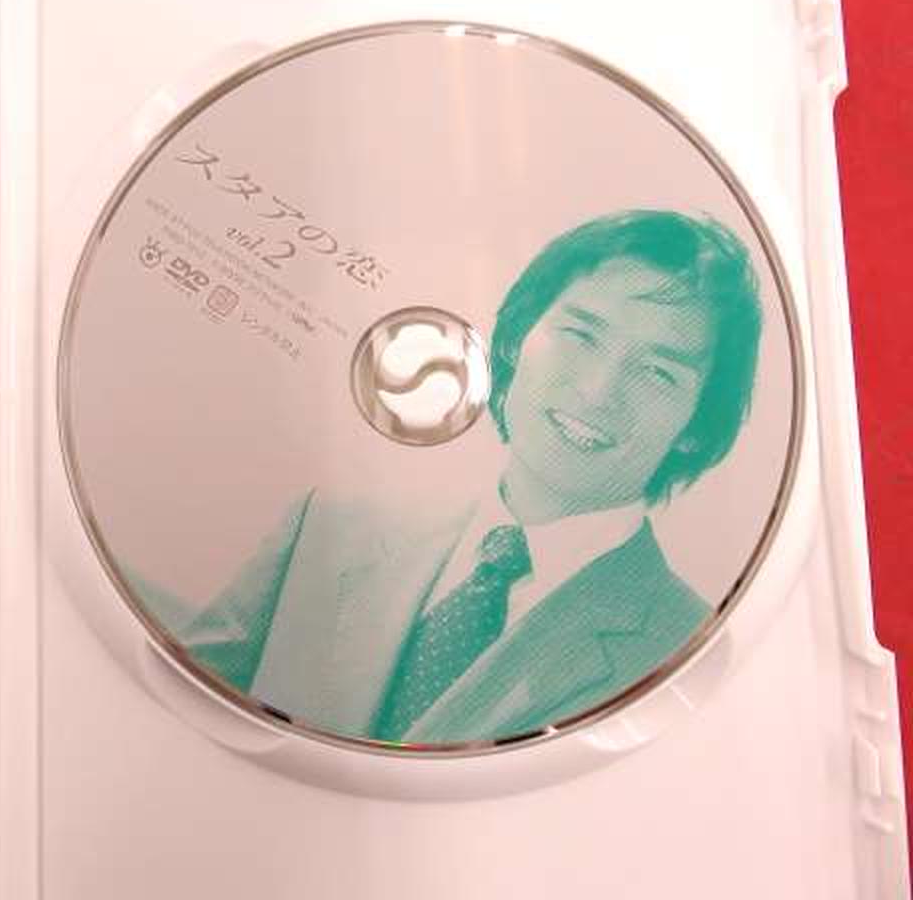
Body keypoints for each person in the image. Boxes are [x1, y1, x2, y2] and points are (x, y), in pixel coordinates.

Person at [137, 209, 763, 745]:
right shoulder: (324, 526)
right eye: (580, 335)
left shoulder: (688, 659)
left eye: (657, 373)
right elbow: (168, 722)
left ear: (696, 424)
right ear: (516, 340)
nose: (599, 391)